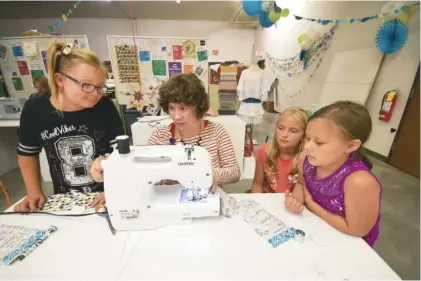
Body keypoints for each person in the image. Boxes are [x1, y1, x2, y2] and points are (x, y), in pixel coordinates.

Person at [14, 43, 124, 212]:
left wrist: (116, 188)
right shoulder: (35, 109)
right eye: (86, 85)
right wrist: (34, 191)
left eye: (100, 87)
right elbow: (28, 153)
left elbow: (121, 153)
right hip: (65, 199)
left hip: (105, 196)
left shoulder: (106, 107)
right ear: (60, 80)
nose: (95, 93)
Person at [285, 101, 382, 247]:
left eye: (319, 142)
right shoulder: (305, 158)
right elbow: (301, 183)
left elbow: (357, 230)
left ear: (351, 146)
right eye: (307, 138)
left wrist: (312, 205)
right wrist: (295, 202)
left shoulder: (359, 182)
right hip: (313, 233)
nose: (307, 146)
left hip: (346, 244)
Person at [148, 73, 241, 189]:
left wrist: (212, 175)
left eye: (183, 108)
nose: (176, 116)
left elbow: (235, 172)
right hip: (171, 200)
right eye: (172, 108)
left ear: (197, 106)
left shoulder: (217, 132)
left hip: (207, 199)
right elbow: (148, 173)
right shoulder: (159, 135)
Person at [250, 107, 308, 193]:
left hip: (291, 202)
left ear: (303, 135)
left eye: (293, 131)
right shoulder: (264, 151)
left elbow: (305, 192)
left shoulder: (306, 159)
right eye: (281, 128)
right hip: (267, 200)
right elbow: (257, 184)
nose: (284, 135)